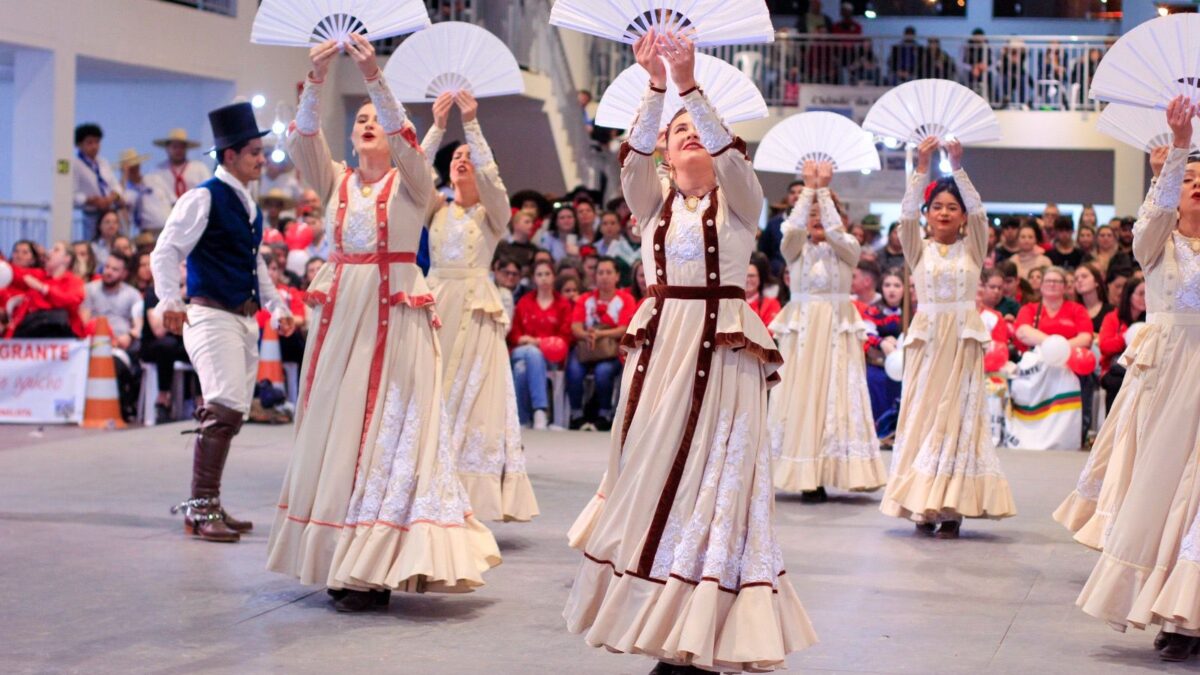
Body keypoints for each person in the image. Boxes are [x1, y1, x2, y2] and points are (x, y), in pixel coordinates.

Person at [564, 31, 817, 673]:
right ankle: (662, 624)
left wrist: (689, 85)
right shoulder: (652, 204)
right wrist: (657, 85)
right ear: (664, 153)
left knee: (717, 484)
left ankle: (703, 633)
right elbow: (631, 165)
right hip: (661, 357)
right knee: (654, 480)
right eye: (677, 131)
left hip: (723, 356)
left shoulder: (740, 204)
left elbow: (733, 163)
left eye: (699, 128)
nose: (689, 135)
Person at [266, 36, 500, 609]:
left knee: (387, 433)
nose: (369, 123)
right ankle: (338, 555)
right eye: (361, 119)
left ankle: (373, 563)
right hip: (341, 319)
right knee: (335, 430)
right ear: (349, 136)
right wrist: (317, 77)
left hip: (394, 318)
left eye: (378, 118)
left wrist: (374, 75)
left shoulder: (412, 181)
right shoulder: (335, 179)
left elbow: (408, 142)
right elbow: (301, 141)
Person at [1069, 99, 1200, 661]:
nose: (1197, 184)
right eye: (1190, 178)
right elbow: (1150, 220)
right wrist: (1179, 148)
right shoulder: (1157, 247)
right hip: (1170, 375)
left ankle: (1190, 610)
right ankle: (1165, 608)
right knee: (1165, 488)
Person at [150, 98, 296, 543]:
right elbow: (165, 250)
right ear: (230, 155)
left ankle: (208, 501)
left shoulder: (247, 204)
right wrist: (169, 300)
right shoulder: (203, 197)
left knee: (231, 413)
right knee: (225, 406)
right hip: (210, 315)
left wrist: (277, 306)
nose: (261, 159)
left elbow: (254, 264)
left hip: (242, 318)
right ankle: (201, 507)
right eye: (254, 152)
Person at [881, 137, 1016, 539]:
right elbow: (905, 218)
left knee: (957, 419)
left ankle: (952, 506)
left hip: (961, 343)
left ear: (962, 216)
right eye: (937, 206)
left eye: (951, 207)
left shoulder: (973, 248)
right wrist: (922, 167)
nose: (943, 212)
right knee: (923, 417)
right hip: (927, 345)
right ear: (928, 213)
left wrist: (957, 167)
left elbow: (981, 215)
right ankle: (921, 503)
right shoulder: (917, 249)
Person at [420, 91, 538, 523]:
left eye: (469, 157)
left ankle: (473, 499)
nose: (462, 161)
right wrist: (438, 128)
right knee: (433, 395)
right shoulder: (436, 208)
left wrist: (471, 125)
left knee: (477, 401)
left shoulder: (493, 214)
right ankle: (431, 488)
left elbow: (494, 183)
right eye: (457, 157)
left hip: (476, 312)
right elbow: (412, 177)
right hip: (437, 306)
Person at [768, 161, 886, 500]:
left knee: (837, 395)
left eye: (825, 211)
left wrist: (824, 194)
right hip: (804, 332)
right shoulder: (796, 249)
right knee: (802, 394)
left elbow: (838, 236)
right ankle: (804, 473)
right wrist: (810, 190)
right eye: (812, 212)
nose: (817, 217)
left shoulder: (847, 248)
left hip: (835, 329)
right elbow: (790, 233)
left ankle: (834, 469)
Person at [566, 257, 633, 431]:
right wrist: (587, 335)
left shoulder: (626, 299)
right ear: (595, 276)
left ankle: (605, 414)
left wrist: (600, 334)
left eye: (608, 272)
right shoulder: (585, 299)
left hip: (612, 351)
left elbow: (624, 329)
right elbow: (575, 327)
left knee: (603, 372)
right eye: (600, 273)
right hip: (587, 348)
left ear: (617, 276)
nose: (604, 276)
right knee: (574, 370)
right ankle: (576, 414)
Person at [509, 259, 574, 429]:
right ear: (534, 278)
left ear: (554, 277)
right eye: (539, 274)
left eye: (547, 274)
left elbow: (564, 337)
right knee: (532, 353)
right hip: (522, 350)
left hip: (551, 355)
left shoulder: (562, 304)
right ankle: (540, 410)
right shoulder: (524, 302)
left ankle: (523, 419)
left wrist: (536, 342)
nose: (543, 278)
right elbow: (515, 335)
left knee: (522, 369)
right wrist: (533, 343)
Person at [81, 251, 143, 418]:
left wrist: (129, 336)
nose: (108, 272)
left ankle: (118, 409)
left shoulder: (133, 295)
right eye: (107, 267)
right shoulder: (90, 289)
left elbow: (138, 326)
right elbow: (83, 321)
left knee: (115, 363)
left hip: (120, 346)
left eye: (115, 269)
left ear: (124, 273)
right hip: (94, 343)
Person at [6, 241, 86, 338]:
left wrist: (43, 289)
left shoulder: (74, 281)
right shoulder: (40, 276)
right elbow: (13, 273)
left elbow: (70, 300)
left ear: (67, 258)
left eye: (56, 250)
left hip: (60, 336)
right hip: (27, 333)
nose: (50, 252)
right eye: (51, 249)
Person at [863, 267, 905, 436]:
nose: (892, 290)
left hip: (905, 367)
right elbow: (867, 333)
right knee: (874, 379)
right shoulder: (874, 310)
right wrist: (882, 343)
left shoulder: (912, 311)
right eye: (887, 285)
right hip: (879, 365)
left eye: (897, 285)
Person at [1096, 277, 1145, 412]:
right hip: (1116, 369)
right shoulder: (1112, 318)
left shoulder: (1151, 320)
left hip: (1142, 368)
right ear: (1129, 295)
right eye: (1141, 294)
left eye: (1148, 294)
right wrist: (1126, 336)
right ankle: (1113, 423)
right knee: (1117, 381)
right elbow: (1105, 347)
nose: (1145, 298)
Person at [72, 123, 124, 233]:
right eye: (90, 142)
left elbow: (115, 185)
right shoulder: (75, 165)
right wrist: (89, 200)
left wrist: (111, 197)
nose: (94, 146)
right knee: (92, 240)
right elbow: (72, 195)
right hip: (91, 213)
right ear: (79, 144)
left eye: (97, 142)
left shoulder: (103, 162)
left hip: (109, 210)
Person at [149, 128, 212, 206]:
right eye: (175, 147)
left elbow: (208, 191)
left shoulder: (199, 168)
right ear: (167, 149)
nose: (178, 150)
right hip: (168, 212)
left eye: (182, 147)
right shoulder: (158, 172)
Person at [118, 148, 173, 233]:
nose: (135, 170)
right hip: (148, 233)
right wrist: (124, 177)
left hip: (169, 227)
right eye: (131, 168)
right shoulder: (126, 191)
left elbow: (173, 201)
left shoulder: (155, 179)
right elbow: (119, 201)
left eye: (136, 166)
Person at [759, 180, 804, 276]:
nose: (796, 196)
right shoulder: (773, 224)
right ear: (788, 197)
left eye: (800, 192)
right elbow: (763, 251)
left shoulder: (813, 223)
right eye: (792, 193)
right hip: (777, 274)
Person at [745, 255, 781, 328]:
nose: (747, 280)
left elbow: (770, 331)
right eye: (744, 276)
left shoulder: (771, 304)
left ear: (760, 278)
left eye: (752, 276)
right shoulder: (731, 304)